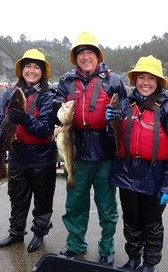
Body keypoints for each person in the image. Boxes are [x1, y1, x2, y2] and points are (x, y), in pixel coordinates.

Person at [54, 32, 128, 265]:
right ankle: (76, 244)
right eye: (80, 53)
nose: (85, 57)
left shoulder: (113, 80)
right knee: (75, 202)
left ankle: (107, 247)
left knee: (107, 205)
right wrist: (55, 126)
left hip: (106, 151)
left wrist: (118, 115)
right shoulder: (66, 82)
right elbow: (54, 110)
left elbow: (126, 112)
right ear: (75, 58)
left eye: (90, 52)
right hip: (75, 151)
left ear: (97, 56)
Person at [106, 55, 168, 271]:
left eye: (151, 78)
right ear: (135, 80)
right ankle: (133, 258)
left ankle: (150, 264)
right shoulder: (124, 104)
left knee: (151, 223)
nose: (146, 82)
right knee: (131, 220)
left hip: (155, 175)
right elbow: (114, 140)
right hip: (127, 172)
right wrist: (109, 122)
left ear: (158, 81)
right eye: (141, 77)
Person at [0, 49, 57, 252]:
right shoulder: (8, 93)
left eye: (37, 67)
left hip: (42, 159)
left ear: (43, 72)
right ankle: (16, 233)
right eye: (28, 66)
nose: (32, 70)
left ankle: (39, 233)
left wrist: (23, 117)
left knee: (43, 200)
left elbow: (45, 128)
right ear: (21, 69)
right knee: (17, 198)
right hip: (17, 157)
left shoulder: (48, 96)